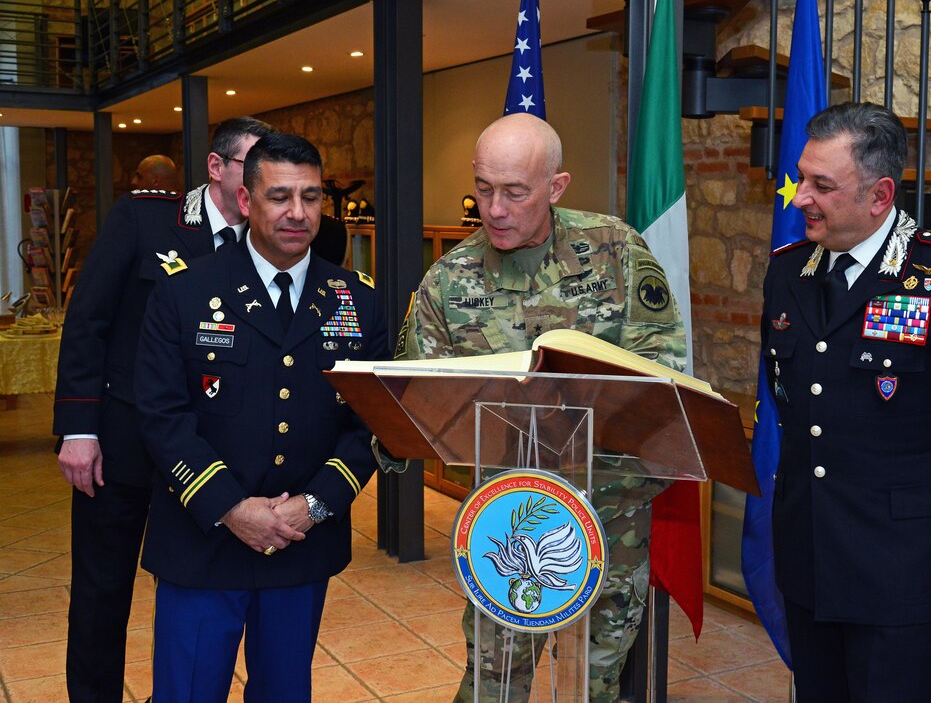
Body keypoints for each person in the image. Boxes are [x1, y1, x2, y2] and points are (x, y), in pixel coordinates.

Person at [390, 112, 685, 702]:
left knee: (594, 684)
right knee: (493, 683)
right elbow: (415, 405)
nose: (494, 209)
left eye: (515, 192)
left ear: (556, 187)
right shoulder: (446, 281)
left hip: (610, 517)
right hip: (508, 524)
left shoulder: (615, 251)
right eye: (483, 188)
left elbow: (666, 372)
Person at [760, 102, 931, 701]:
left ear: (880, 195)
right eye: (802, 177)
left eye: (821, 185)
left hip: (898, 560)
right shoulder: (787, 270)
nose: (800, 197)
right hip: (807, 551)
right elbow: (790, 399)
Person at [133, 132, 388, 702]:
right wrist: (230, 507)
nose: (298, 213)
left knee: (284, 693)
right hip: (203, 540)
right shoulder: (185, 292)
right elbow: (160, 413)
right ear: (246, 202)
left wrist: (314, 504)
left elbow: (370, 422)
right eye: (279, 197)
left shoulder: (357, 299)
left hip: (300, 541)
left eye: (312, 197)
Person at [52, 116, 274, 702]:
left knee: (194, 595)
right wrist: (78, 428)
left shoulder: (270, 237)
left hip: (208, 458)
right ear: (217, 168)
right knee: (103, 593)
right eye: (250, 166)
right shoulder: (145, 219)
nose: (263, 182)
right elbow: (88, 324)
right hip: (122, 447)